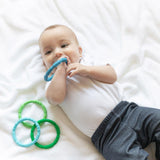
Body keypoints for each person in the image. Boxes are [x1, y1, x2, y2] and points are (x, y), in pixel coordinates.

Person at [39, 24, 160, 160]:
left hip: (130, 113)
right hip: (108, 136)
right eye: (48, 52)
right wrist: (60, 71)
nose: (58, 53)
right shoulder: (52, 83)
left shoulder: (88, 63)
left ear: (79, 51)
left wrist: (87, 70)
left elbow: (112, 75)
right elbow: (54, 98)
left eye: (64, 45)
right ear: (45, 65)